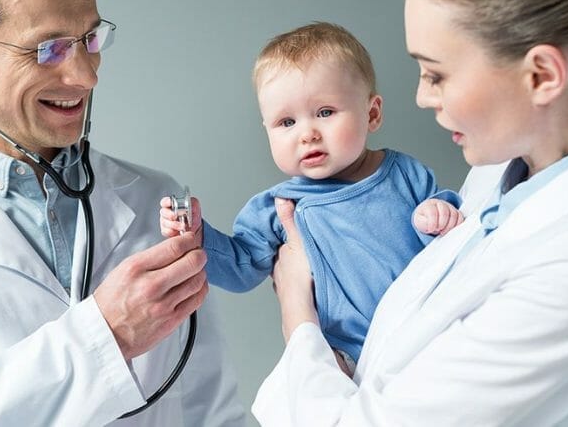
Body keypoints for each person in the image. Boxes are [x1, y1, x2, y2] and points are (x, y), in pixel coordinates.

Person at [252, 0, 568, 425]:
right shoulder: (504, 173)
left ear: (541, 75)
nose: (421, 96)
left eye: (436, 74)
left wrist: (297, 311)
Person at [0, 0, 245, 425]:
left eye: (90, 39)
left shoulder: (158, 202)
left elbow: (214, 413)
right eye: (48, 48)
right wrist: (104, 339)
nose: (85, 76)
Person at [160, 22, 463, 370]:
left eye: (325, 113)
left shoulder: (404, 173)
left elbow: (448, 238)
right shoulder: (279, 207)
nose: (307, 134)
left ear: (372, 113)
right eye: (287, 122)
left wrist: (439, 211)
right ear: (267, 130)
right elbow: (241, 268)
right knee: (316, 370)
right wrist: (197, 236)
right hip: (349, 354)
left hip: (424, 328)